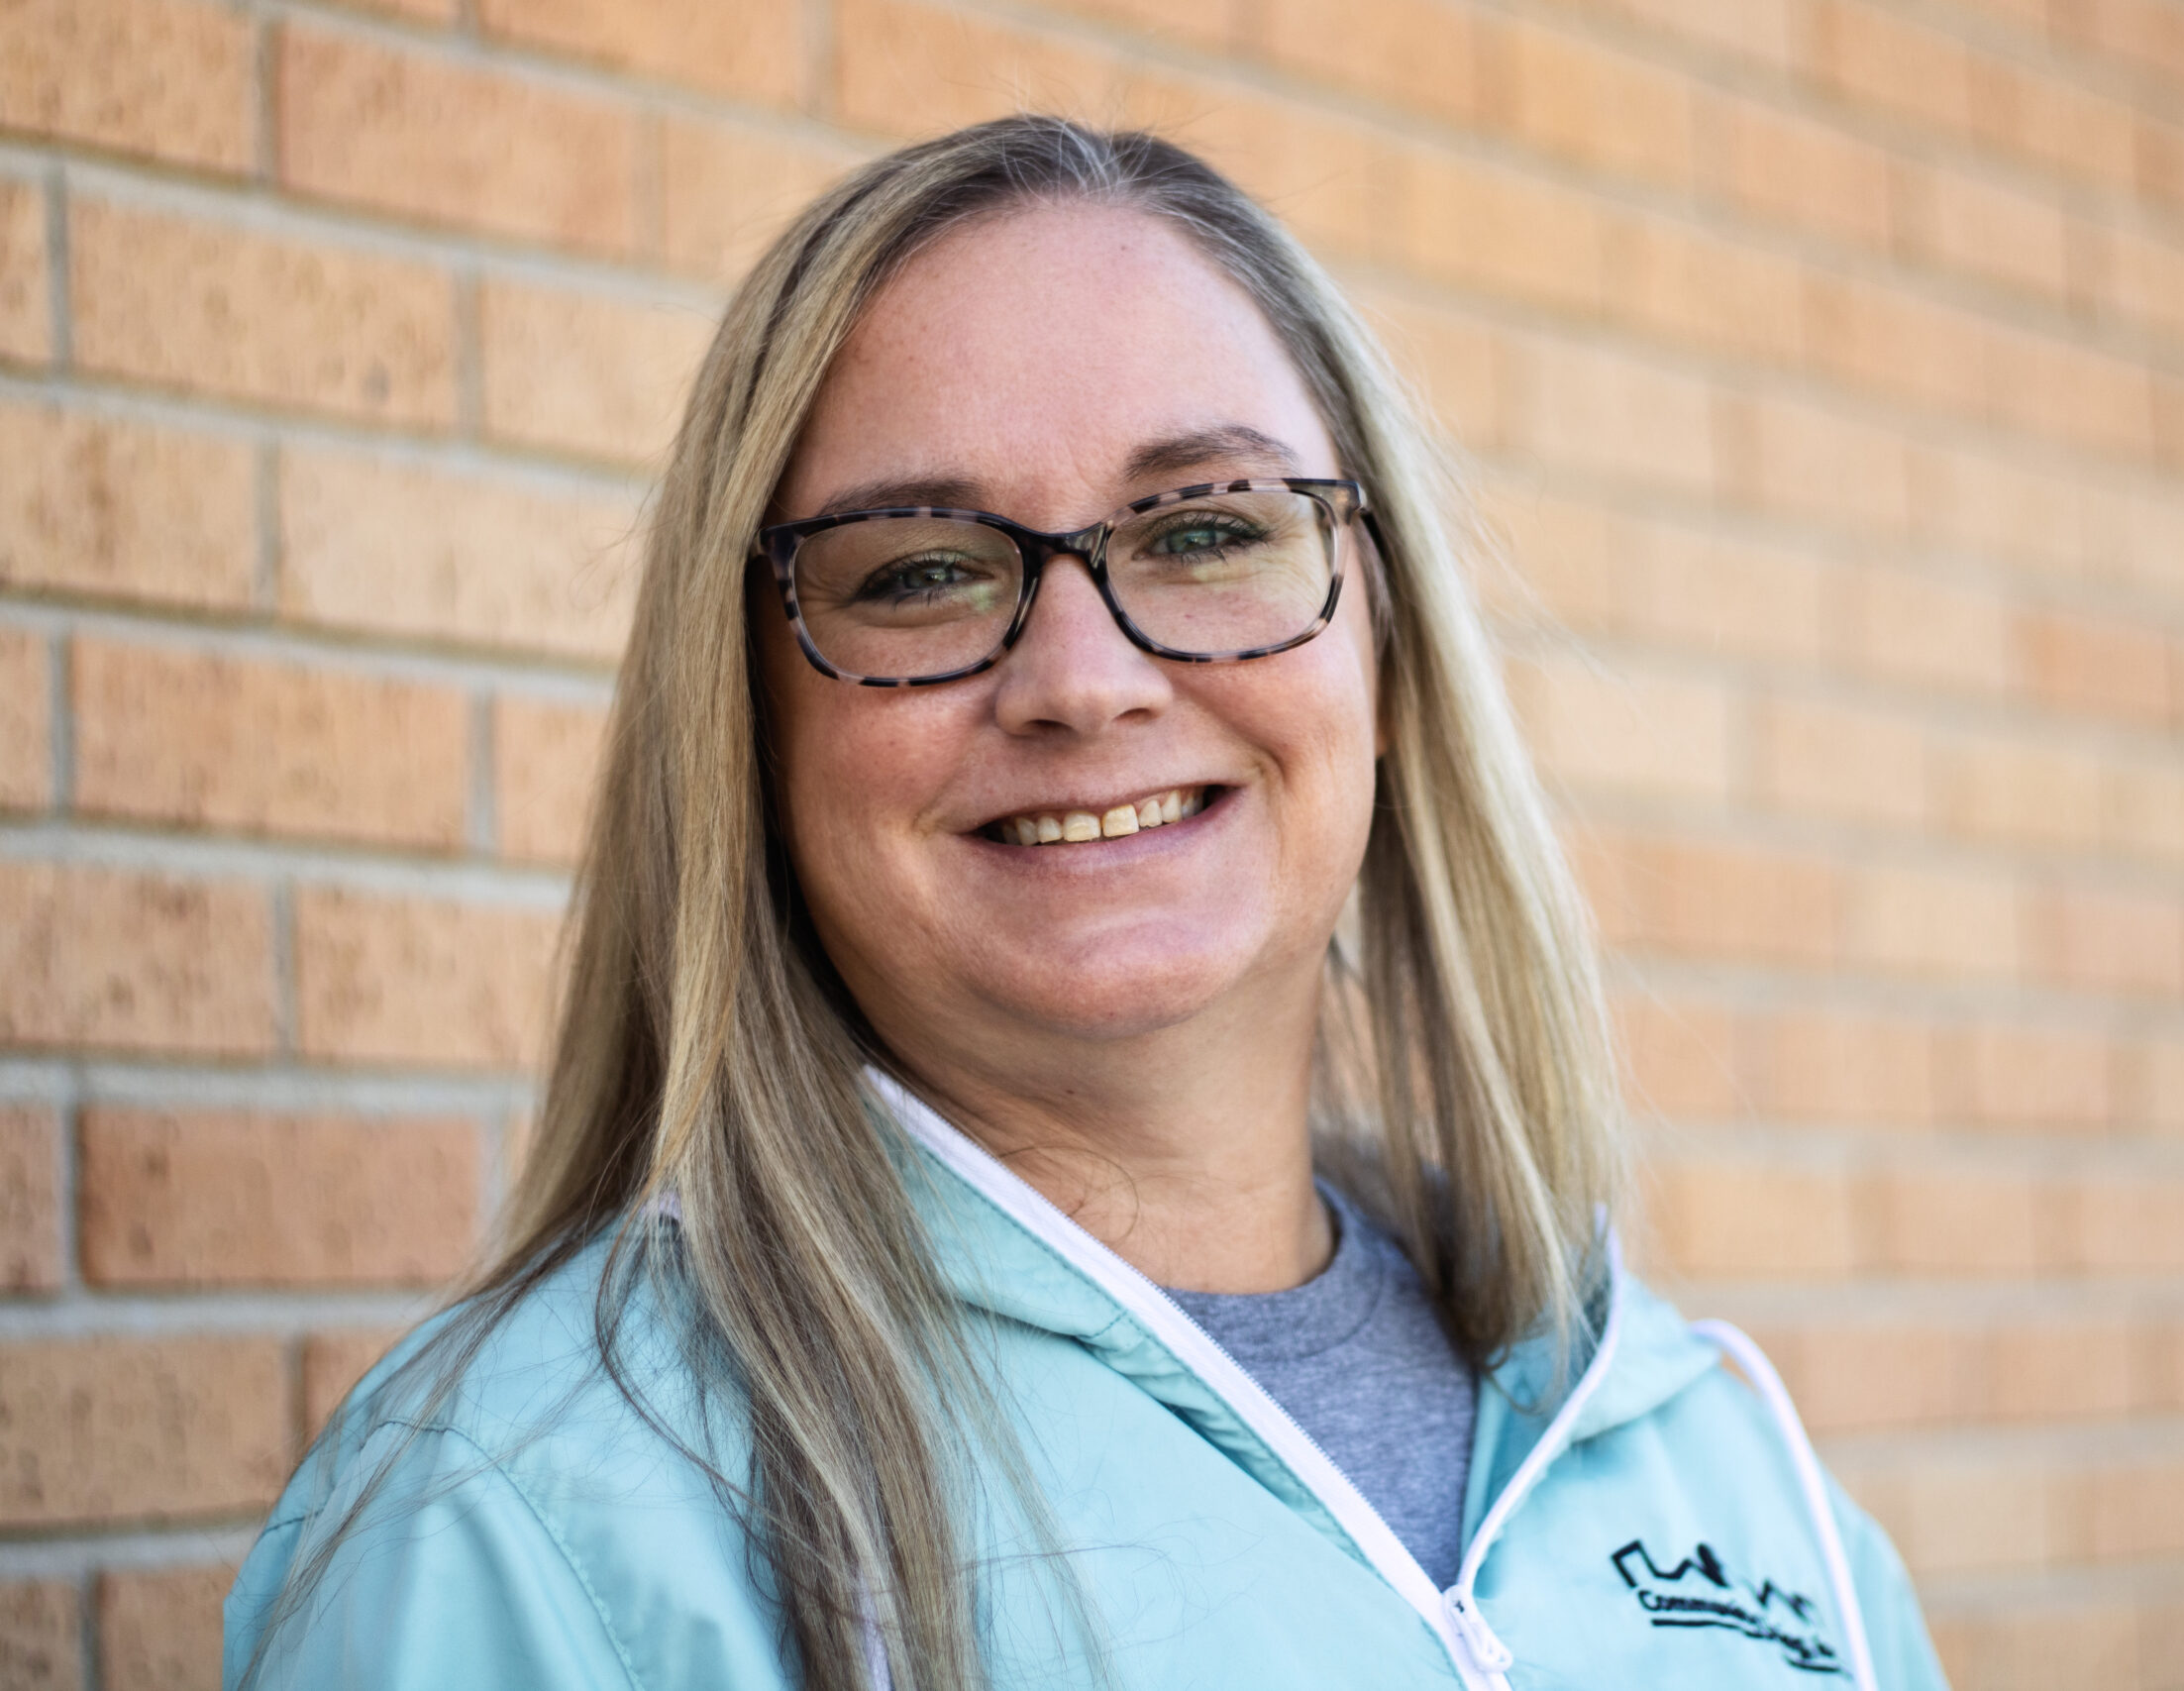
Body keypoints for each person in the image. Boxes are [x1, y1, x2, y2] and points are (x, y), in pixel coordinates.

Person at [224, 117, 1948, 1691]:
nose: (1082, 679)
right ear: (742, 718)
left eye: (1205, 531)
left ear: (1384, 645)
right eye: (918, 571)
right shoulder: (533, 1524)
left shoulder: (1722, 1464)